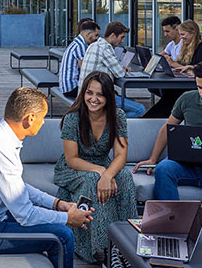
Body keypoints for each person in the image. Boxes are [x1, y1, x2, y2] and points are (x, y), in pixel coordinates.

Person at [0, 87, 93, 268]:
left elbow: (18, 187)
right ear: (30, 119)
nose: (43, 122)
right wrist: (67, 218)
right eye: (43, 117)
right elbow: (25, 215)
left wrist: (58, 204)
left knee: (51, 223)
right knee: (62, 235)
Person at [54, 71, 137, 263]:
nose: (93, 98)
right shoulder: (73, 118)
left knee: (124, 177)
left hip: (102, 163)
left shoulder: (117, 116)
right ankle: (102, 248)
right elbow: (72, 159)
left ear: (108, 96)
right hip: (72, 168)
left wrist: (108, 174)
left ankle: (128, 244)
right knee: (92, 180)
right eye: (89, 93)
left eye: (100, 94)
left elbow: (121, 155)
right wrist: (103, 173)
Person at [133, 60, 202, 200]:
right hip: (186, 164)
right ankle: (170, 218)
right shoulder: (187, 99)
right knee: (164, 168)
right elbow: (167, 129)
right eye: (199, 87)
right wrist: (153, 158)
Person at [144, 20, 202, 118]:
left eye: (183, 34)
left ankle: (152, 118)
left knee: (171, 95)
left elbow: (200, 67)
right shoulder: (188, 47)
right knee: (168, 94)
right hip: (187, 80)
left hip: (193, 83)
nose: (182, 37)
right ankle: (153, 118)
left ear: (193, 33)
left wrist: (174, 64)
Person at [78, 21, 146, 118]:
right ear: (113, 35)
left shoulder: (95, 45)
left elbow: (109, 66)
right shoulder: (104, 48)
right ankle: (110, 123)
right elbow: (120, 74)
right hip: (98, 95)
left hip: (85, 94)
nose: (122, 41)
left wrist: (120, 68)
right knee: (140, 110)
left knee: (130, 102)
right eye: (121, 37)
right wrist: (122, 69)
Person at [59, 20, 100, 98]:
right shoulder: (80, 46)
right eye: (96, 35)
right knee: (105, 92)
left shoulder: (77, 42)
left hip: (67, 87)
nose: (97, 38)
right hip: (72, 88)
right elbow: (85, 69)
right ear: (88, 34)